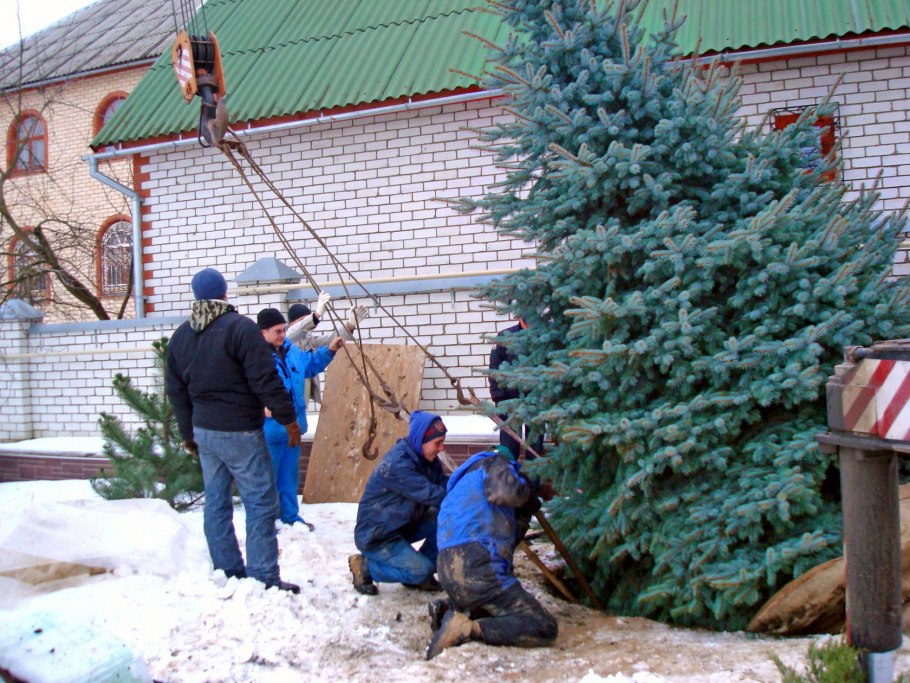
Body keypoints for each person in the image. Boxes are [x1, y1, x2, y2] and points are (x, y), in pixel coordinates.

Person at [165, 268, 302, 593]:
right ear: (225, 294)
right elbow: (264, 378)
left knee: (216, 501)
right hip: (240, 429)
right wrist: (288, 418)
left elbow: (176, 391)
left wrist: (188, 434)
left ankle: (227, 570)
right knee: (259, 501)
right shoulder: (240, 329)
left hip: (204, 431)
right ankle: (264, 577)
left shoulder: (182, 336)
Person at [425, 448, 557, 659]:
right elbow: (507, 492)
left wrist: (524, 509)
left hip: (447, 569)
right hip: (476, 563)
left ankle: (450, 610)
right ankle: (467, 629)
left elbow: (509, 538)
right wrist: (528, 492)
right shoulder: (495, 462)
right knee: (543, 625)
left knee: (489, 606)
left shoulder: (465, 481)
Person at [258, 307, 344, 528]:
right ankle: (268, 523)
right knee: (269, 479)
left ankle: (290, 517)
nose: (282, 335)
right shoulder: (255, 358)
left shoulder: (290, 351)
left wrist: (330, 351)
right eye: (277, 331)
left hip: (293, 428)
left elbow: (309, 365)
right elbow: (241, 389)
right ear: (262, 333)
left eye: (284, 330)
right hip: (270, 431)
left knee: (289, 477)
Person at [348, 411, 449, 596]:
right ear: (421, 440)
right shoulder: (398, 464)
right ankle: (365, 566)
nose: (441, 448)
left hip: (402, 524)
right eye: (437, 443)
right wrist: (465, 495)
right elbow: (432, 494)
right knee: (422, 570)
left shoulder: (427, 459)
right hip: (378, 535)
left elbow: (442, 483)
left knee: (447, 517)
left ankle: (417, 576)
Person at [285, 292, 369, 408]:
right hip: (288, 392)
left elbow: (333, 338)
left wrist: (350, 324)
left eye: (306, 319)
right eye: (301, 320)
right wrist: (316, 315)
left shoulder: (310, 340)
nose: (304, 324)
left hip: (301, 393)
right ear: (291, 324)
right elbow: (296, 331)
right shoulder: (285, 339)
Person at [489, 317, 543, 459]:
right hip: (510, 404)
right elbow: (494, 369)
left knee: (535, 451)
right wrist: (500, 400)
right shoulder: (505, 336)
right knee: (508, 450)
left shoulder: (544, 336)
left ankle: (532, 481)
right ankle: (509, 480)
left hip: (536, 404)